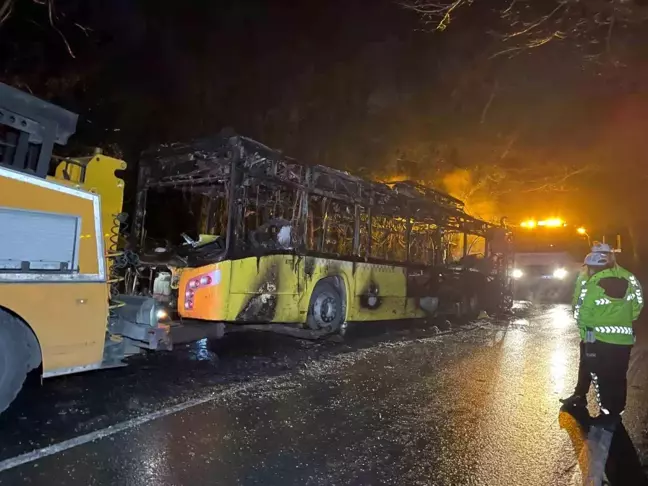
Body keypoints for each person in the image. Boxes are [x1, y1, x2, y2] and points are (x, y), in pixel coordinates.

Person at [561, 246, 643, 426]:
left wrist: (587, 335)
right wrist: (624, 320)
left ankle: (605, 411)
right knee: (617, 375)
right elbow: (637, 304)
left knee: (598, 372)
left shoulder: (594, 281)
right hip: (623, 337)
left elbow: (583, 312)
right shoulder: (628, 277)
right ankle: (613, 410)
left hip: (595, 336)